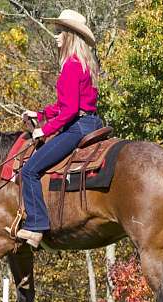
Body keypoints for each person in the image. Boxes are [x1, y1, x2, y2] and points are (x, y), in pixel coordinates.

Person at [16, 9, 102, 248]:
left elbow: (70, 111)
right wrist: (41, 114)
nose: (56, 36)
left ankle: (35, 226)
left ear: (70, 35)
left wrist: (43, 130)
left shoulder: (71, 66)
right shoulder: (85, 64)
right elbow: (66, 104)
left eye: (60, 31)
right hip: (92, 121)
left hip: (78, 127)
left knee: (29, 170)